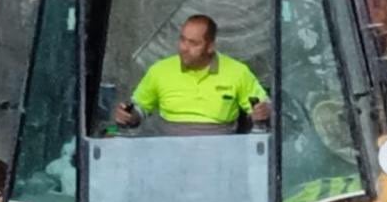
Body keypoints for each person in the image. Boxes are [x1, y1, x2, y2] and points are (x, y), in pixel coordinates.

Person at [113, 14, 271, 135]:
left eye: (193, 43)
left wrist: (263, 111)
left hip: (222, 158)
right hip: (167, 155)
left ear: (210, 46)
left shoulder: (237, 72)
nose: (184, 48)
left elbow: (263, 107)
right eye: (182, 40)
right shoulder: (159, 71)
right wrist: (128, 116)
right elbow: (139, 108)